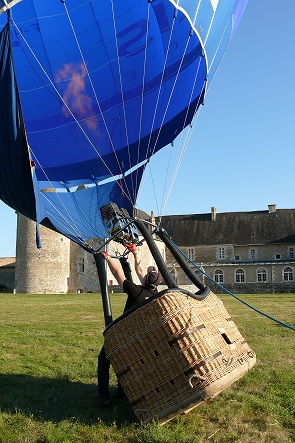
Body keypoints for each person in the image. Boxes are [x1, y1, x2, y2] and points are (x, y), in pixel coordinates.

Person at [96, 243, 160, 407]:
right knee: (126, 361)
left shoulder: (135, 291)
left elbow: (118, 274)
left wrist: (108, 258)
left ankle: (104, 396)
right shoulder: (154, 294)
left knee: (104, 359)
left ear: (145, 280)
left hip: (122, 333)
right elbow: (140, 272)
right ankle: (121, 389)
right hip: (139, 337)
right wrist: (136, 253)